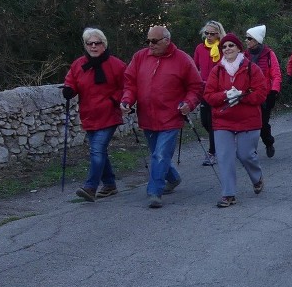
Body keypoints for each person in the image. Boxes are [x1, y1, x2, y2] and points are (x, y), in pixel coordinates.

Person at [121, 25, 203, 209]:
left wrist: (188, 104)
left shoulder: (182, 59)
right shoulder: (140, 57)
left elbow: (196, 87)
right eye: (148, 40)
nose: (150, 44)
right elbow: (130, 83)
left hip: (171, 117)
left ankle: (154, 192)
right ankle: (173, 178)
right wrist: (127, 100)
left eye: (154, 41)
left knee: (160, 154)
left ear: (167, 40)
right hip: (147, 117)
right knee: (157, 153)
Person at [62, 28, 127, 202]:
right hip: (89, 114)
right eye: (89, 43)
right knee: (100, 151)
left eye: (97, 43)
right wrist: (69, 90)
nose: (93, 46)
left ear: (104, 45)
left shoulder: (117, 65)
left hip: (108, 114)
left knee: (96, 150)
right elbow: (71, 81)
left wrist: (115, 100)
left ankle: (90, 187)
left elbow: (127, 86)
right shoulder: (78, 64)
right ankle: (110, 184)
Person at [203, 33, 267, 208]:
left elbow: (261, 93)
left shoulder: (251, 68)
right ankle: (228, 194)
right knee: (225, 157)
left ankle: (257, 177)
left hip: (248, 120)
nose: (227, 49)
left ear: (239, 48)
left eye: (231, 45)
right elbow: (208, 96)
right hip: (223, 121)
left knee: (245, 155)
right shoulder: (217, 70)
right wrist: (225, 95)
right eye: (224, 47)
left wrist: (241, 96)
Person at [244, 25, 281, 158]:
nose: (246, 41)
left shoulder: (269, 54)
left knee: (262, 124)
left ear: (256, 40)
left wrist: (273, 92)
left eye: (249, 38)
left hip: (265, 96)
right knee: (248, 124)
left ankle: (268, 142)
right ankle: (249, 150)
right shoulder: (244, 55)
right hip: (248, 95)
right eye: (246, 38)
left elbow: (276, 74)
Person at [192, 20, 225, 166]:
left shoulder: (224, 47)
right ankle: (222, 141)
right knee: (205, 121)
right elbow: (194, 68)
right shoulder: (200, 48)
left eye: (213, 34)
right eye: (207, 33)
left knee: (213, 121)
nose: (209, 36)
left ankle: (212, 152)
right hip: (204, 90)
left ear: (219, 34)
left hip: (219, 90)